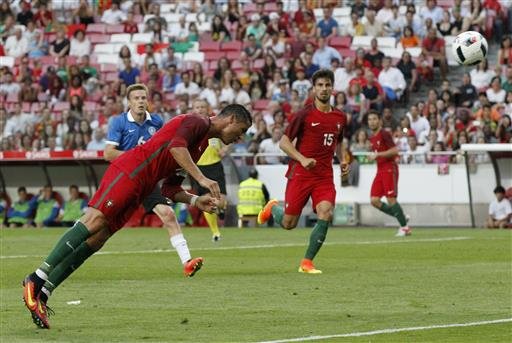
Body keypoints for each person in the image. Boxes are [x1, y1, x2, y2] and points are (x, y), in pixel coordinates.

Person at [22, 101, 252, 329]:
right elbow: (176, 146)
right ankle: (36, 278)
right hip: (131, 170)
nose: (239, 137)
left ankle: (43, 293)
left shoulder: (201, 146)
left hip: (143, 186)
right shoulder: (197, 121)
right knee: (94, 220)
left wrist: (194, 199)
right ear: (231, 119)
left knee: (98, 238)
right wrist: (201, 179)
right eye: (241, 130)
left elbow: (170, 189)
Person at [104, 84, 202, 273]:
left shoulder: (156, 123)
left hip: (146, 180)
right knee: (98, 224)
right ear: (129, 102)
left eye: (143, 98)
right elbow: (109, 154)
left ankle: (187, 262)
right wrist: (137, 156)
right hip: (122, 179)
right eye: (136, 98)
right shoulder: (119, 122)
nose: (141, 101)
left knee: (169, 215)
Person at [257, 69, 348, 274]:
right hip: (301, 173)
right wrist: (302, 158)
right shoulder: (304, 114)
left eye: (327, 85)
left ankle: (307, 262)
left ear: (332, 88)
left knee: (326, 212)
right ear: (314, 88)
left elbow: (339, 142)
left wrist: (343, 160)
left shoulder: (340, 117)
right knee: (289, 224)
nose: (324, 89)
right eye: (320, 85)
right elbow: (283, 142)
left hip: (324, 176)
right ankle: (273, 208)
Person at [367, 110, 411, 237]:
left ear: (379, 120)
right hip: (380, 169)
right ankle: (402, 217)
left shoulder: (384, 134)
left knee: (391, 198)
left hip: (389, 168)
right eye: (370, 119)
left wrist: (378, 155)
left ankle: (405, 228)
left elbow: (395, 150)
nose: (372, 122)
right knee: (374, 200)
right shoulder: (372, 137)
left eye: (374, 119)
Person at [190, 99, 228, 242]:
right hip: (199, 168)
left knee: (221, 201)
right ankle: (216, 232)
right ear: (193, 110)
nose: (200, 109)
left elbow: (228, 140)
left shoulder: (215, 125)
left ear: (208, 109)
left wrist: (224, 149)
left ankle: (221, 209)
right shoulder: (190, 126)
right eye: (197, 107)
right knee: (209, 201)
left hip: (215, 165)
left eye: (202, 107)